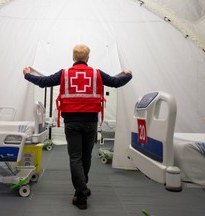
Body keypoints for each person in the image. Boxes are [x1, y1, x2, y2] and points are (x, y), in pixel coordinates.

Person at [23, 44, 132, 210]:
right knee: (86, 155)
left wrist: (28, 75)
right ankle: (83, 188)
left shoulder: (64, 73)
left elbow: (43, 82)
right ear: (88, 58)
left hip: (72, 122)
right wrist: (128, 75)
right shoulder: (97, 73)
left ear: (73, 58)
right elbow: (115, 82)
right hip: (91, 122)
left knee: (75, 157)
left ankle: (81, 194)